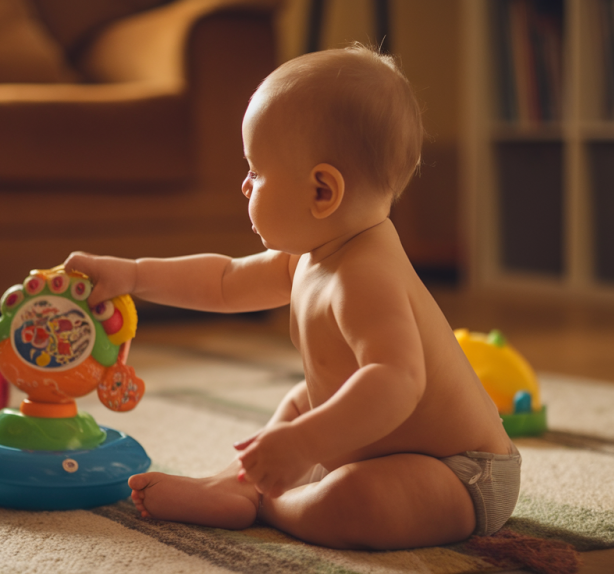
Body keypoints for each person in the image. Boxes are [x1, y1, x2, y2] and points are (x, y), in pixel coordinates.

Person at [64, 44, 519, 550]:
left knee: (357, 501)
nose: (244, 185)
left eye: (256, 171)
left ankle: (263, 500)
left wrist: (306, 444)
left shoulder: (364, 275)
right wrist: (131, 275)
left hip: (460, 474)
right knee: (301, 401)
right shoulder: (312, 255)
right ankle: (239, 482)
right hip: (368, 445)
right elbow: (224, 280)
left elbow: (397, 381)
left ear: (322, 192)